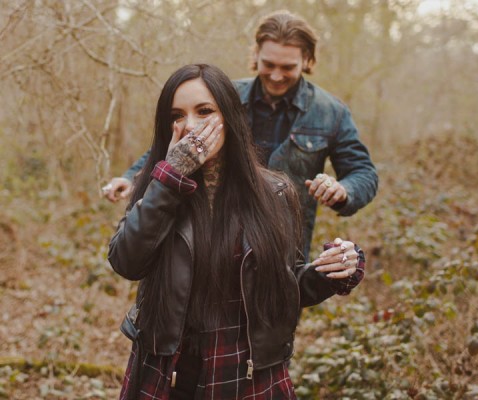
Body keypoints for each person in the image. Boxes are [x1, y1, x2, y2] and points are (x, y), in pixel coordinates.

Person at [108, 63, 366, 399]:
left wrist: (335, 269)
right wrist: (170, 179)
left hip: (247, 374)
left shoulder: (274, 193)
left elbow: (285, 289)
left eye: (204, 111)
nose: (190, 126)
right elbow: (126, 262)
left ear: (229, 116)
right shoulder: (155, 186)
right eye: (177, 116)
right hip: (168, 372)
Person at [103, 10, 378, 258]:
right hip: (218, 234)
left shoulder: (331, 112)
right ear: (256, 54)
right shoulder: (222, 97)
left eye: (288, 67)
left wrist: (343, 190)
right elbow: (180, 143)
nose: (277, 75)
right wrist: (131, 177)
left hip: (284, 244)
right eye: (269, 64)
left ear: (306, 60)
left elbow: (364, 172)